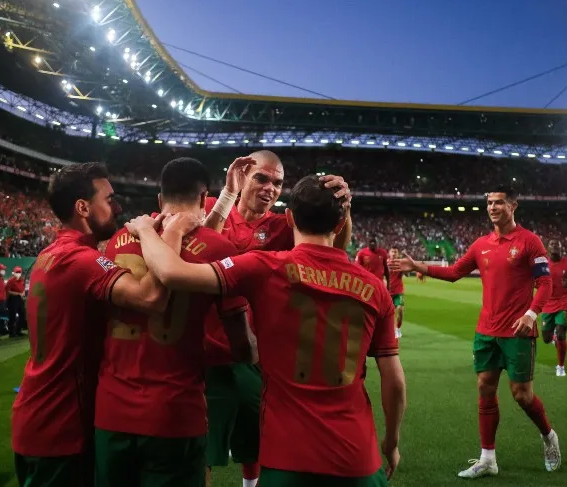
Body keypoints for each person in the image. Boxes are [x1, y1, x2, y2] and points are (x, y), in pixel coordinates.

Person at [129, 175, 406, 486]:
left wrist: (145, 231)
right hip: (358, 458)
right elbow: (393, 380)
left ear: (288, 218)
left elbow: (170, 271)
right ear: (340, 225)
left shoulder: (262, 268)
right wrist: (391, 443)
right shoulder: (375, 289)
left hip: (287, 458)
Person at [11, 162, 191, 487]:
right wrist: (170, 233)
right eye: (109, 199)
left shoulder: (50, 254)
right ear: (83, 207)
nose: (117, 207)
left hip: (36, 414)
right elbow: (151, 297)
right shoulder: (82, 261)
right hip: (62, 423)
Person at [94, 157, 255, 487]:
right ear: (202, 198)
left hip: (112, 412)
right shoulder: (220, 249)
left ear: (158, 198)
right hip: (175, 413)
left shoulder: (118, 241)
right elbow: (242, 346)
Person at [202, 151, 353, 487]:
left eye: (278, 182)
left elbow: (333, 247)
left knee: (255, 442)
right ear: (241, 176)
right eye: (262, 178)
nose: (271, 188)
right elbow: (191, 240)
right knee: (201, 447)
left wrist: (343, 210)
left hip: (255, 352)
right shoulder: (213, 206)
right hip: (203, 350)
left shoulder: (281, 225)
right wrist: (224, 198)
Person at [390, 186, 560, 478]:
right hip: (487, 331)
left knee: (522, 395)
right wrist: (417, 265)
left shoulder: (530, 242)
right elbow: (455, 272)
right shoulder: (481, 243)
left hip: (518, 331)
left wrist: (532, 314)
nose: (493, 207)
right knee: (485, 388)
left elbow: (545, 284)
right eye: (489, 203)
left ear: (513, 206)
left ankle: (549, 437)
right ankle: (488, 459)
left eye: (499, 203)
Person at [540, 240, 567, 377]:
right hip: (547, 304)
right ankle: (553, 338)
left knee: (561, 333)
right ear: (548, 249)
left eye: (558, 246)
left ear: (561, 248)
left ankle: (561, 366)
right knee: (546, 338)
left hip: (564, 303)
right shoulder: (542, 264)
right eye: (553, 247)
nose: (556, 249)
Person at [387, 248, 405, 338]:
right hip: (387, 293)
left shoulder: (401, 264)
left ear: (398, 254)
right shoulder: (385, 264)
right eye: (392, 251)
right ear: (389, 253)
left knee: (400, 310)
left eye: (396, 252)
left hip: (399, 292)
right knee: (387, 314)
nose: (394, 253)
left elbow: (407, 272)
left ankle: (398, 329)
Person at [6, 266, 26, 337]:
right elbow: (8, 291)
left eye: (19, 272)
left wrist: (23, 293)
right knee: (12, 316)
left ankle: (18, 330)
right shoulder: (11, 281)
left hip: (20, 299)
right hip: (13, 299)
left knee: (22, 314)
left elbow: (23, 288)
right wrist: (18, 293)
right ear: (14, 272)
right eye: (17, 272)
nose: (18, 273)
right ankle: (11, 333)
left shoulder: (22, 280)